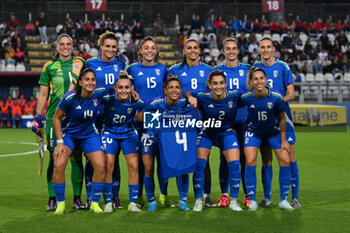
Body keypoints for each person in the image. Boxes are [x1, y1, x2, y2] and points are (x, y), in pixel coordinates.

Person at [31, 34, 86, 211]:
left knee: (77, 158)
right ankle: (52, 199)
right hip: (54, 119)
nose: (65, 47)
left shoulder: (81, 63)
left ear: (73, 45)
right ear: (57, 47)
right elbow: (43, 94)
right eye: (62, 44)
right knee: (55, 159)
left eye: (68, 44)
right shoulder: (49, 66)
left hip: (76, 118)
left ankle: (77, 199)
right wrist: (38, 117)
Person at [254, 38, 301, 209]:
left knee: (290, 155)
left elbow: (291, 93)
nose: (265, 50)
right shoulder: (255, 68)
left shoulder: (282, 67)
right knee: (266, 158)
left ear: (273, 49)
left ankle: (294, 197)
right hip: (263, 118)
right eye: (262, 47)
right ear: (258, 49)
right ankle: (267, 198)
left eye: (268, 47)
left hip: (282, 115)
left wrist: (275, 102)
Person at [52, 68, 106, 215]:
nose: (90, 82)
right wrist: (60, 142)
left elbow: (117, 90)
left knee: (101, 165)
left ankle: (94, 203)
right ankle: (61, 205)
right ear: (80, 82)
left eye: (93, 80)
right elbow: (56, 118)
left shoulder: (99, 93)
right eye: (87, 79)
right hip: (70, 135)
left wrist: (132, 93)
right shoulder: (70, 98)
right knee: (59, 164)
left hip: (90, 135)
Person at [169, 38, 215, 207]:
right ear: (184, 50)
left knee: (204, 160)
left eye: (195, 48)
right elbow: (169, 93)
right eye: (189, 48)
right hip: (181, 121)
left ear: (199, 50)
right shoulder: (175, 70)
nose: (193, 50)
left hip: (203, 120)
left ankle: (206, 195)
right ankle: (183, 197)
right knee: (183, 159)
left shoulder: (209, 70)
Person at [141, 76, 198, 212]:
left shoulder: (184, 103)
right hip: (152, 137)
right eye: (171, 87)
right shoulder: (155, 103)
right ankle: (151, 202)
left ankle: (183, 201)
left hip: (172, 139)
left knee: (182, 166)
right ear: (165, 90)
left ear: (180, 90)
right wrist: (159, 119)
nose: (174, 90)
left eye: (177, 87)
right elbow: (139, 117)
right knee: (148, 167)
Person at [240, 66, 293, 211]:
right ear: (251, 81)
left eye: (261, 78)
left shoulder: (276, 97)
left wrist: (284, 140)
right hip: (254, 133)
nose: (259, 82)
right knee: (250, 161)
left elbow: (282, 118)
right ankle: (252, 200)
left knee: (285, 160)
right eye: (255, 79)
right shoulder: (245, 98)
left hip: (273, 133)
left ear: (266, 80)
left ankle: (283, 200)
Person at [85, 31, 126, 209]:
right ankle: (90, 196)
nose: (110, 49)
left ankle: (114, 196)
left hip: (112, 118)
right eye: (107, 46)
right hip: (93, 117)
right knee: (91, 158)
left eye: (113, 47)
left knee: (113, 158)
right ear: (100, 46)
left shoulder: (121, 65)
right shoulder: (90, 64)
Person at [191, 70, 242, 212]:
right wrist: (189, 97)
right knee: (200, 164)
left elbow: (251, 99)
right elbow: (187, 94)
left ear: (225, 84)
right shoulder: (202, 96)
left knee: (234, 164)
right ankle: (198, 201)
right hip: (207, 132)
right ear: (209, 85)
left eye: (221, 83)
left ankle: (233, 201)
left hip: (226, 132)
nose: (218, 86)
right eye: (215, 83)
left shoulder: (235, 95)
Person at [127, 36, 168, 210]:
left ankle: (163, 195)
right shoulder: (132, 69)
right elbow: (123, 85)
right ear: (141, 51)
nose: (150, 50)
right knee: (143, 162)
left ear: (157, 51)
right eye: (146, 48)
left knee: (162, 161)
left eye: (153, 48)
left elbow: (169, 90)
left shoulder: (163, 69)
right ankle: (140, 196)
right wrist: (132, 90)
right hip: (139, 121)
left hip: (159, 121)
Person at [214, 37, 251, 207]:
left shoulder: (247, 70)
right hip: (226, 124)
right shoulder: (216, 71)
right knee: (225, 159)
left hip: (245, 122)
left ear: (238, 51)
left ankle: (247, 194)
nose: (231, 51)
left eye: (234, 49)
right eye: (227, 49)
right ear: (223, 51)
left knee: (245, 159)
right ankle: (224, 194)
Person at [101, 71, 145, 213]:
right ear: (115, 88)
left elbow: (145, 114)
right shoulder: (107, 99)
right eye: (120, 87)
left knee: (133, 166)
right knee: (108, 165)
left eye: (127, 87)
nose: (124, 91)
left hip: (128, 133)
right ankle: (108, 202)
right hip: (109, 133)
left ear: (131, 88)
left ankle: (132, 203)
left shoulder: (138, 102)